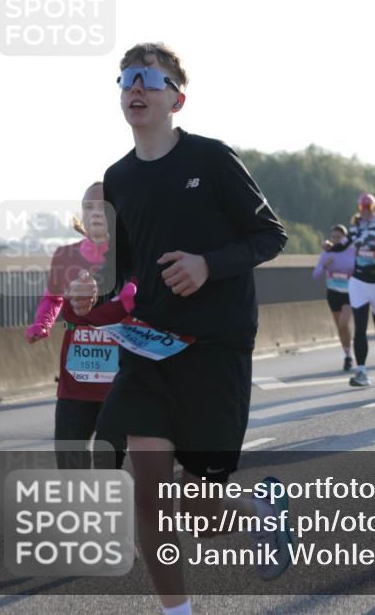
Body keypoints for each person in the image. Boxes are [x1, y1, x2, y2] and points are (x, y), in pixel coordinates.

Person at [73, 43, 292, 615]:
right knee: (148, 490)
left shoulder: (212, 159)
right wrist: (87, 293)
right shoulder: (117, 178)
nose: (134, 88)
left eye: (148, 78)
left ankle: (258, 510)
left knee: (202, 509)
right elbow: (123, 274)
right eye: (125, 79)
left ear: (177, 97)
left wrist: (207, 264)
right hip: (150, 347)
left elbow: (271, 236)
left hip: (217, 346)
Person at [26, 182, 130, 470]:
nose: (94, 213)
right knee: (70, 466)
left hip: (117, 383)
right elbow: (52, 297)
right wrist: (42, 324)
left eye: (102, 207)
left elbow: (133, 299)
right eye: (88, 207)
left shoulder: (129, 256)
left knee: (108, 464)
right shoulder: (65, 255)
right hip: (75, 383)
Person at [325, 193, 375, 387]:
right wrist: (330, 247)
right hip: (358, 282)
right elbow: (342, 246)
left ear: (373, 208)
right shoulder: (356, 228)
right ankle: (361, 372)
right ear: (359, 208)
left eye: (368, 208)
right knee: (360, 327)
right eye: (362, 208)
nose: (365, 211)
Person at [312, 224, 355, 371]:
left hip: (349, 294)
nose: (336, 240)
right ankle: (347, 355)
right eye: (333, 237)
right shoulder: (327, 252)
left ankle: (349, 354)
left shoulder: (352, 252)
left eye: (339, 237)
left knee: (343, 324)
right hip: (333, 294)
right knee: (340, 328)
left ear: (345, 238)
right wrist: (324, 266)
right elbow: (315, 275)